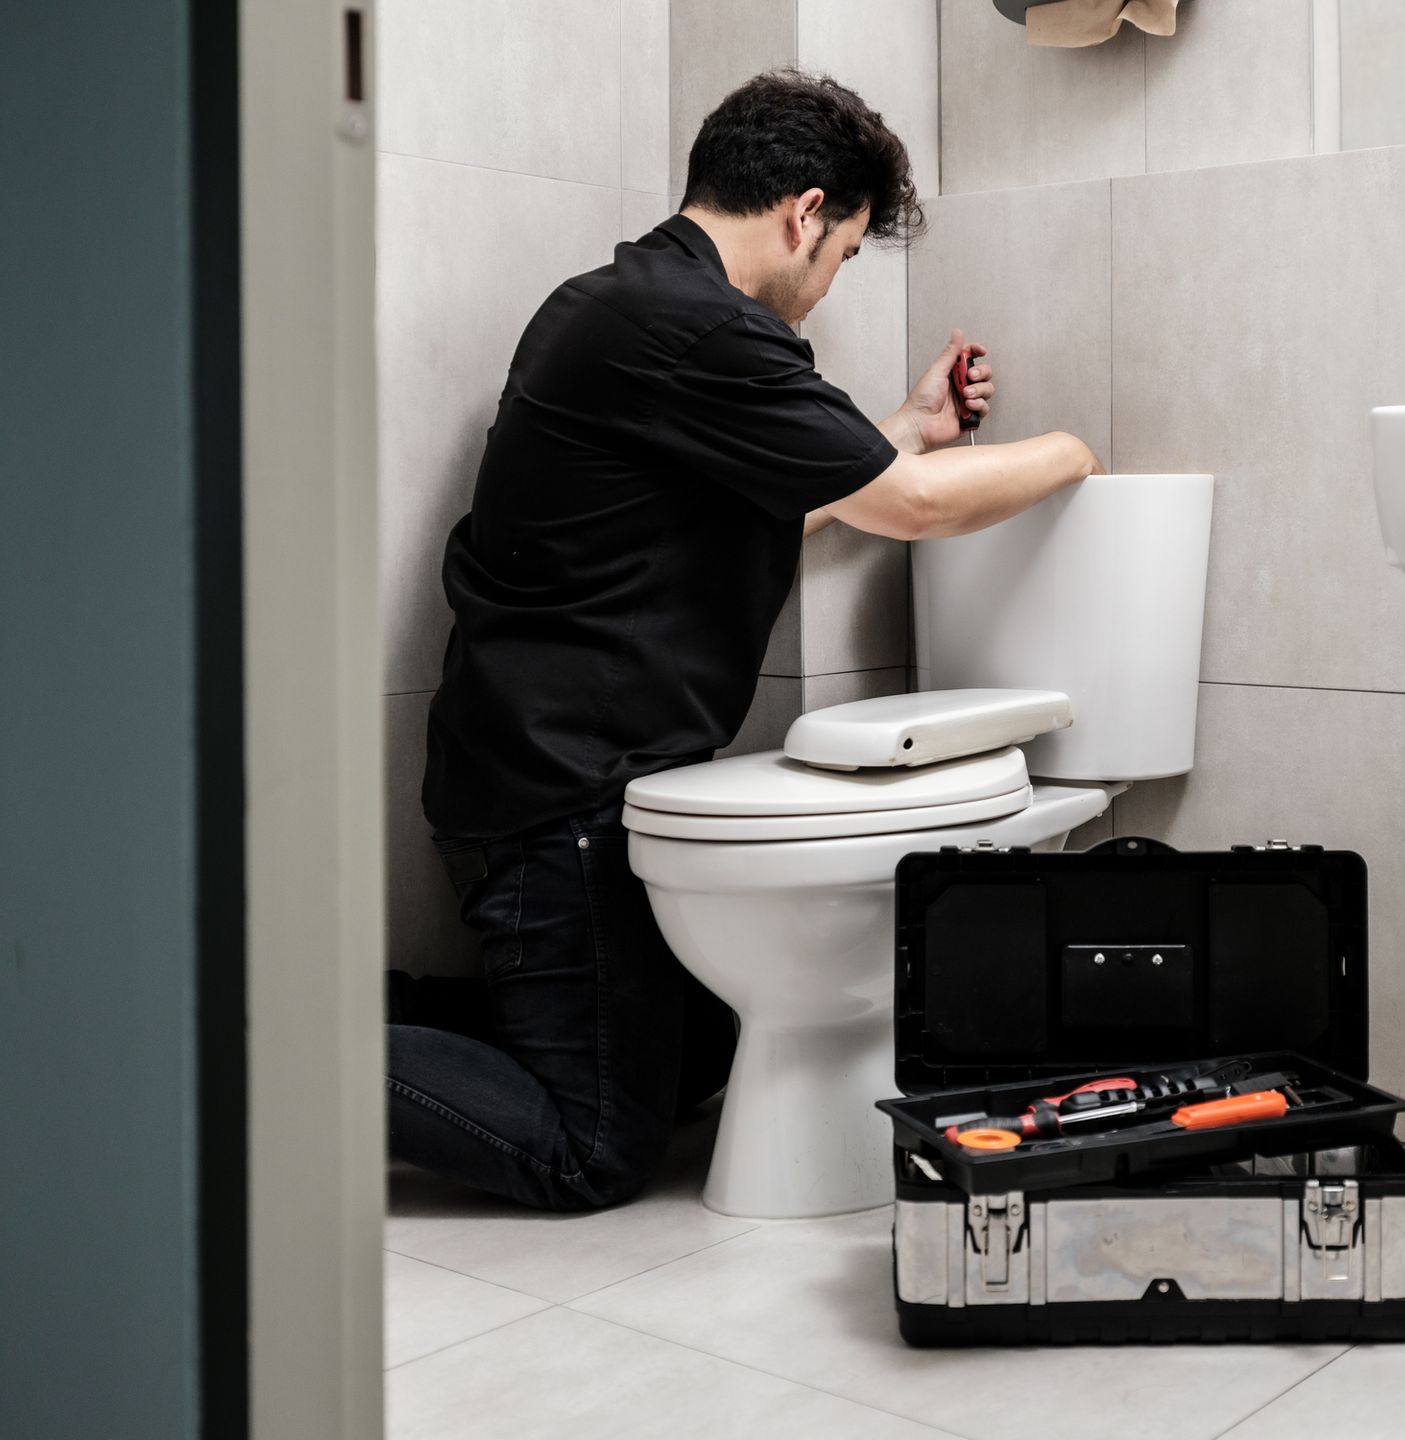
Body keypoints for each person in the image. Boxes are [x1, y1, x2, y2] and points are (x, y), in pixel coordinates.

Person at [386, 68, 1104, 1210]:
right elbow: (912, 510)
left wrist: (906, 429)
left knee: (694, 1065)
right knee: (592, 1150)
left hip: (553, 768)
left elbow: (763, 510)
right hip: (556, 795)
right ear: (805, 214)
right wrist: (1076, 453)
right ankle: (288, 1051)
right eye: (846, 254)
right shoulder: (700, 329)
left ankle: (390, 1015)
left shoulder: (630, 302)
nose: (828, 286)